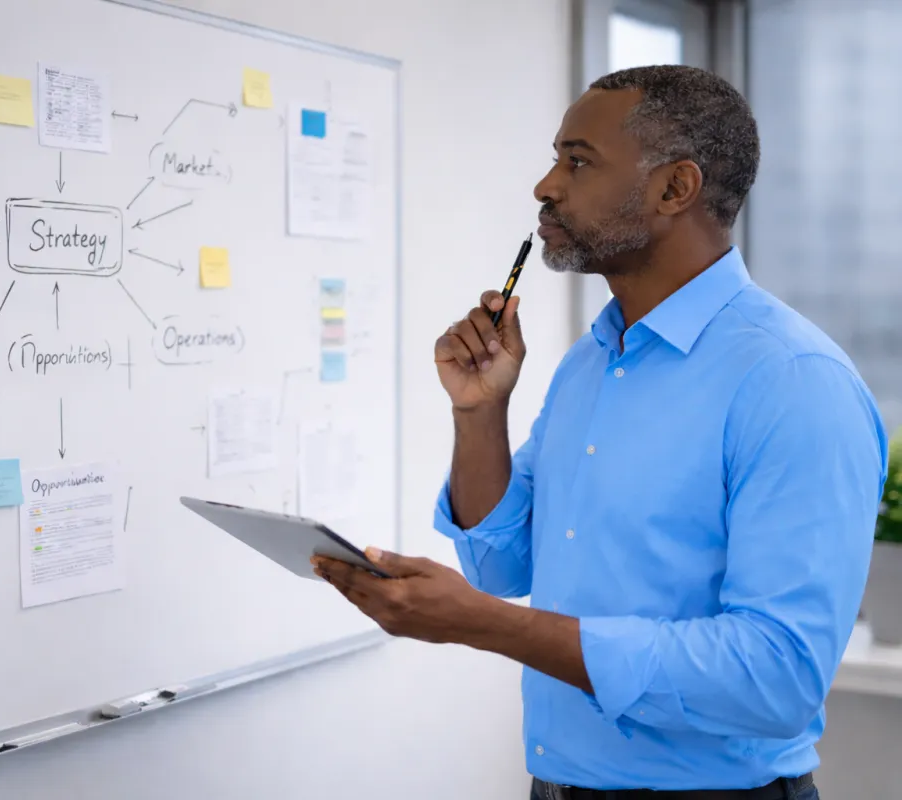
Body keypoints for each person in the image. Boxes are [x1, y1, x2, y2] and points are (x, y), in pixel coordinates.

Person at [311, 65, 888, 799]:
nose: (545, 186)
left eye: (577, 161)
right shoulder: (593, 361)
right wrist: (478, 412)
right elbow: (502, 564)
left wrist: (483, 626)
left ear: (675, 189)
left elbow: (776, 678)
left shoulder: (793, 381)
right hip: (557, 786)